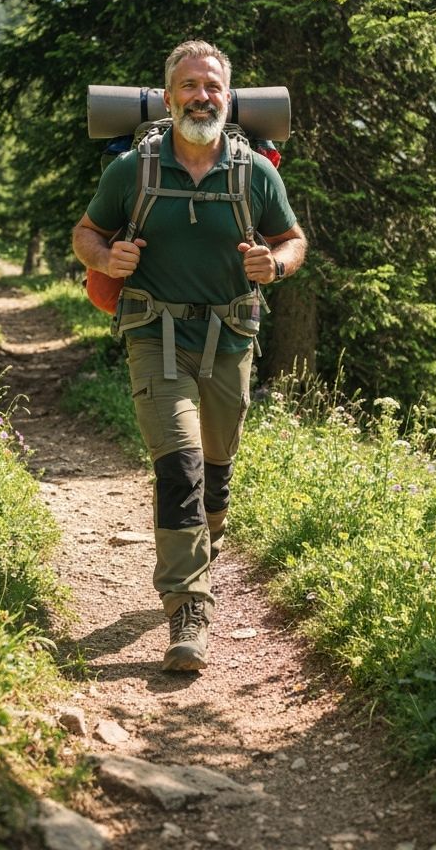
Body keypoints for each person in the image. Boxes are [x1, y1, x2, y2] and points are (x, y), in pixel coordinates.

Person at [72, 39, 307, 672]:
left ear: (229, 101)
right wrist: (103, 258)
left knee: (215, 471)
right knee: (179, 468)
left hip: (231, 339)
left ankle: (207, 540)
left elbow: (293, 240)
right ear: (168, 95)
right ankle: (188, 610)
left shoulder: (256, 173)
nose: (202, 97)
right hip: (156, 337)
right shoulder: (134, 171)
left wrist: (275, 264)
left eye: (214, 88)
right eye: (190, 86)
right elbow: (88, 232)